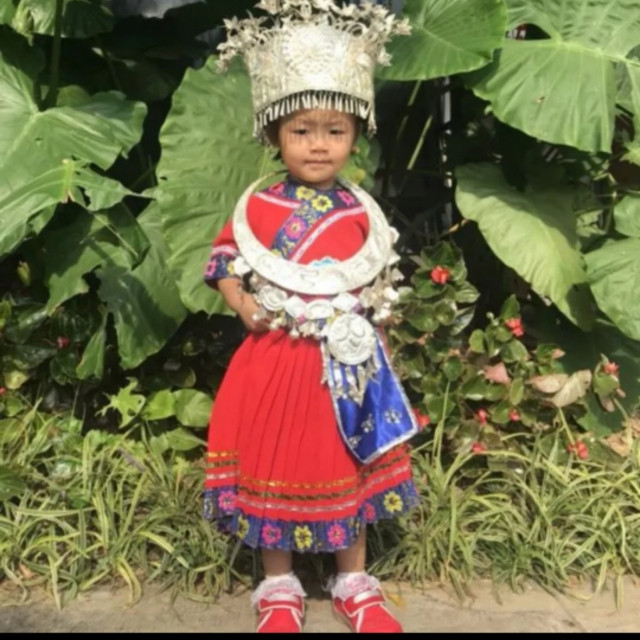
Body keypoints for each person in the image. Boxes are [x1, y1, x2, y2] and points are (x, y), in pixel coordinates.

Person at [202, 0, 416, 633]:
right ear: (275, 134)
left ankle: (354, 580)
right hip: (277, 359)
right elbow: (224, 260)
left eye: (335, 131)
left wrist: (377, 323)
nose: (318, 145)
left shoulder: (360, 209)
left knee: (348, 463)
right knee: (275, 466)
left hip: (348, 368)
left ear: (355, 135)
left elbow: (379, 275)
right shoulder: (259, 206)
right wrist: (242, 302)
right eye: (301, 131)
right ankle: (278, 584)